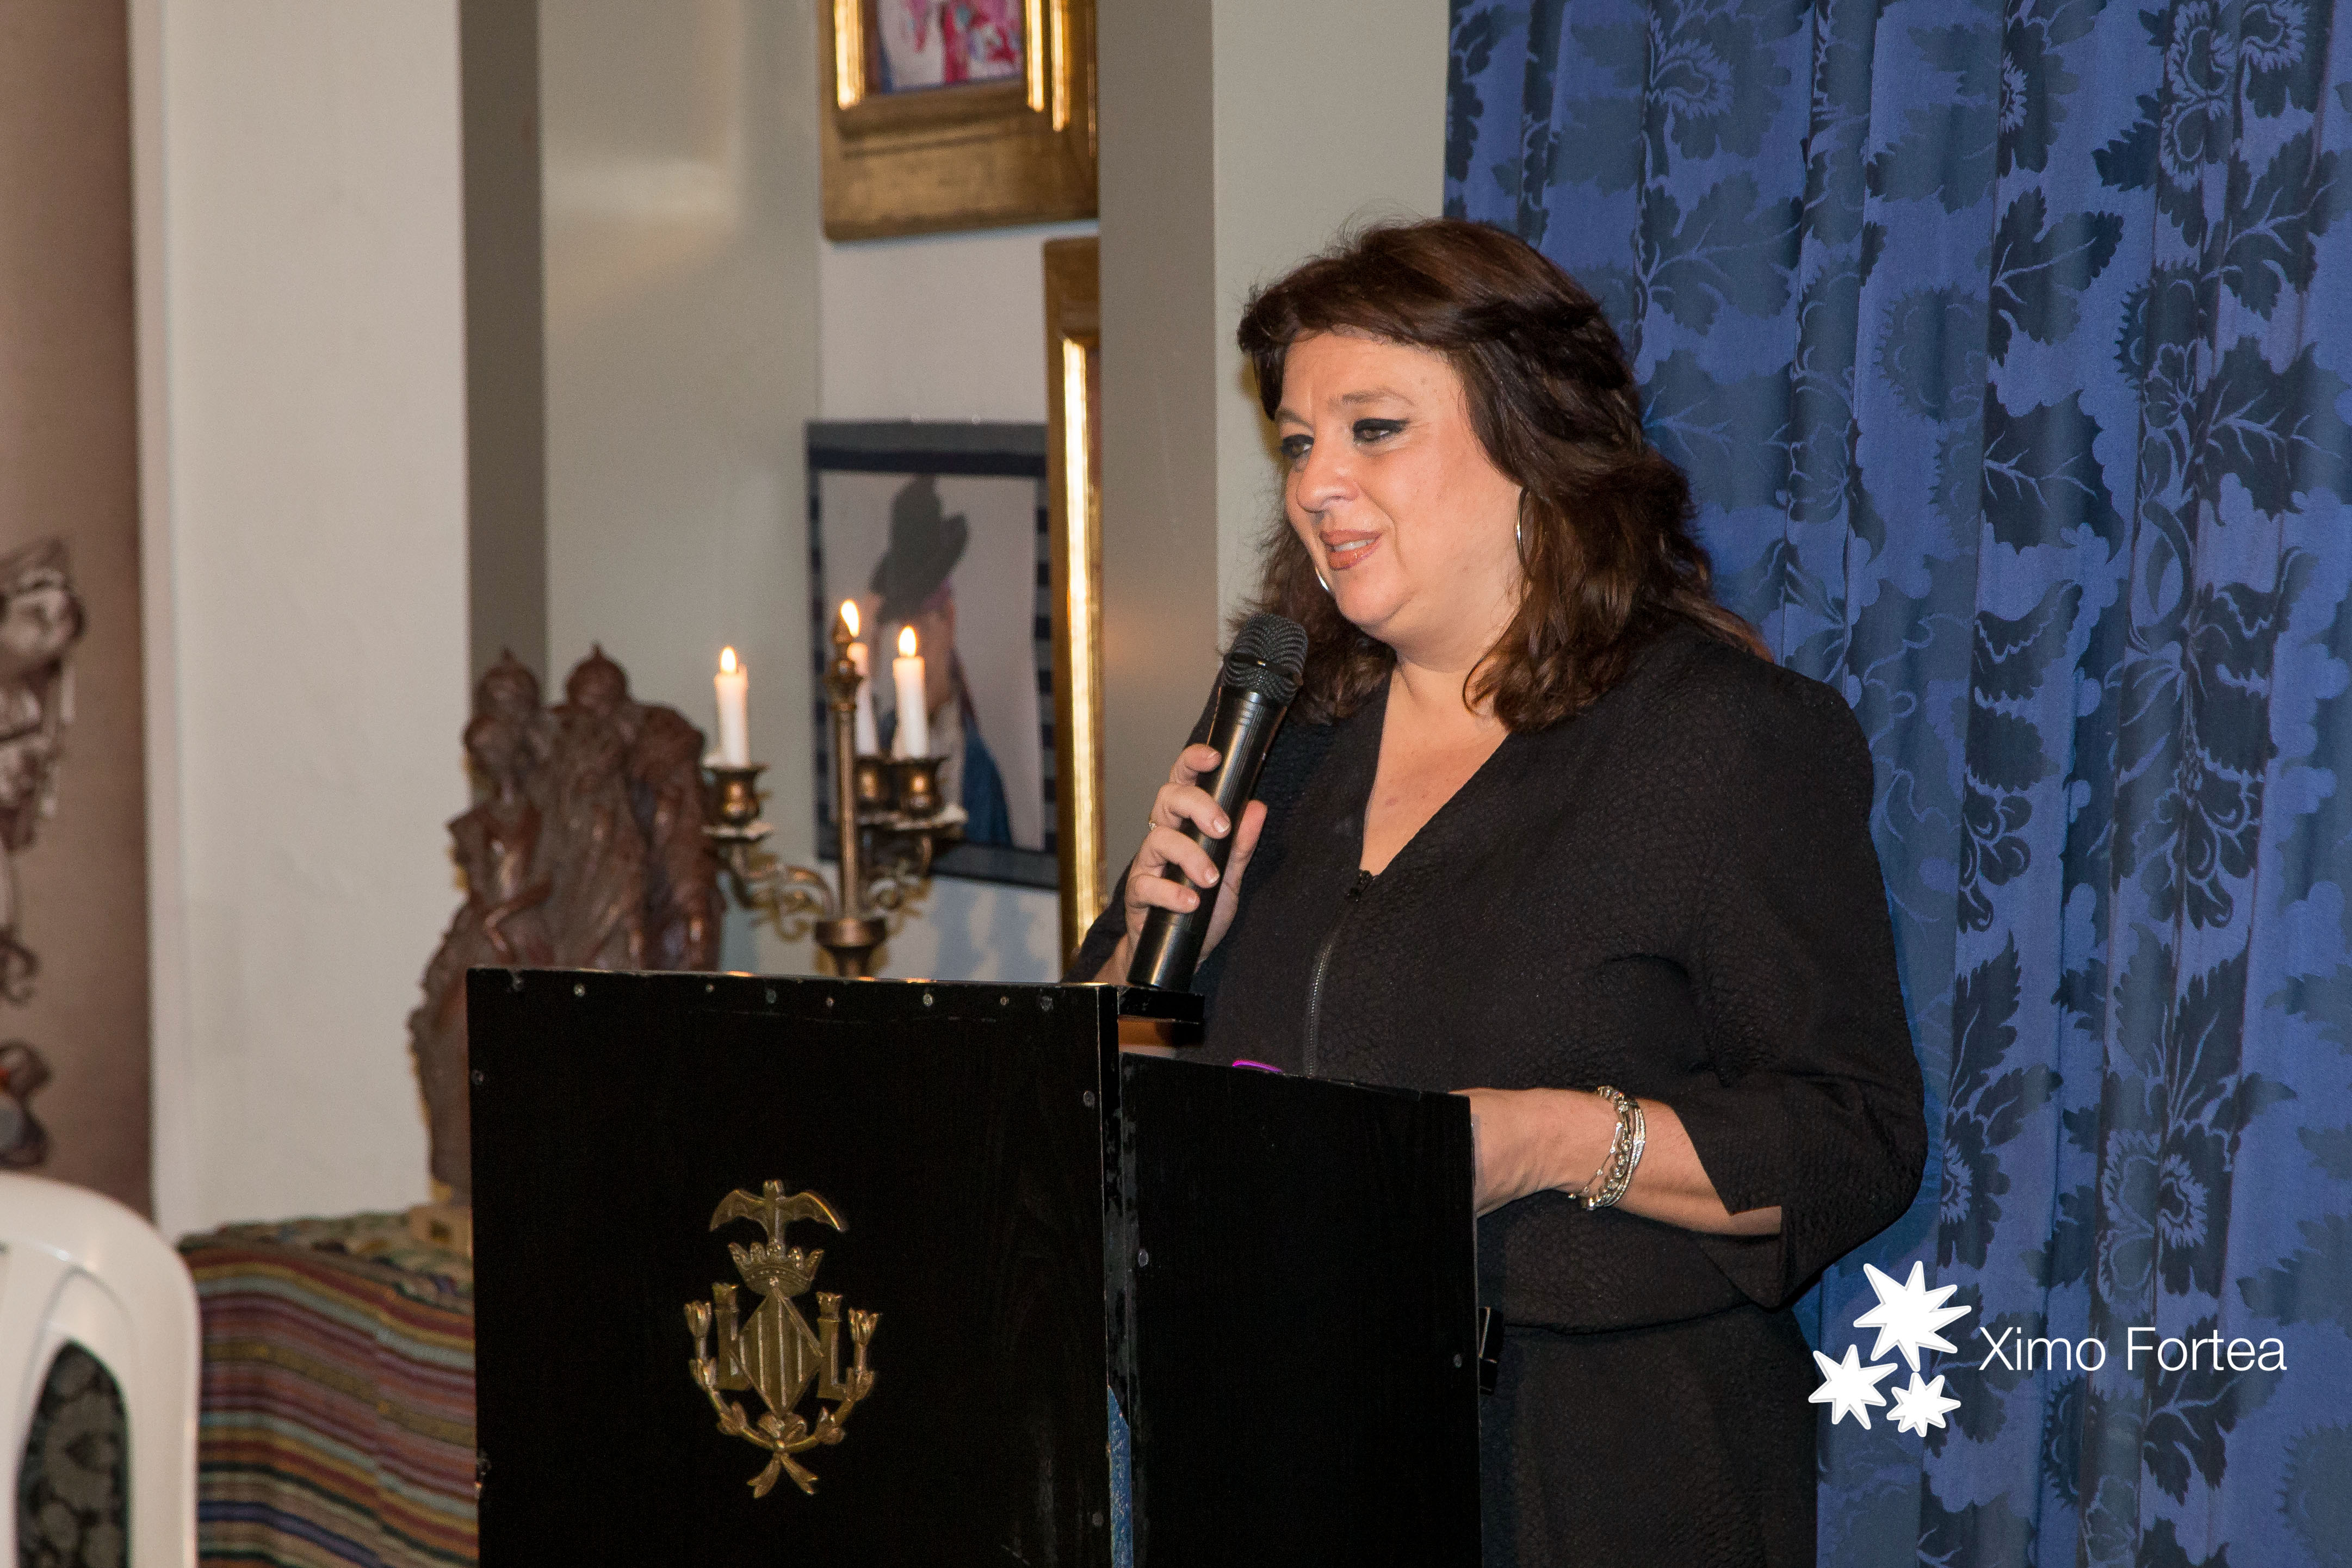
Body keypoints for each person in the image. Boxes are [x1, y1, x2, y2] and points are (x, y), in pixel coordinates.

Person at [1069, 220, 1926, 1567]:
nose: (1316, 484)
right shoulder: (1280, 731)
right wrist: (1142, 965)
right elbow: (1086, 1110)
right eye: (1297, 442)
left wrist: (1543, 1139)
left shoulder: (1719, 738)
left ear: (1532, 443)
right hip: (1279, 1439)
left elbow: (1849, 1138)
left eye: (1373, 430)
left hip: (1596, 1471)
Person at [870, 474, 1015, 845]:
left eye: (923, 626)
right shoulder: (879, 748)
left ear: (948, 620)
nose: (914, 653)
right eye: (905, 630)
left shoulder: (977, 769)